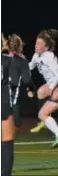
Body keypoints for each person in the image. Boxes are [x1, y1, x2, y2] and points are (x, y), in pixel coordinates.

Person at [1, 33, 33, 176]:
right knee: (7, 141)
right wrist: (32, 88)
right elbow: (25, 80)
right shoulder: (17, 61)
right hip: (7, 103)